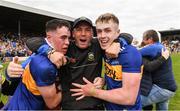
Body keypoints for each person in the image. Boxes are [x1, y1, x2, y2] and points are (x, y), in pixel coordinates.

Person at [5, 17, 121, 110]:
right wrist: (50, 52)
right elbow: (33, 42)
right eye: (79, 29)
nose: (83, 34)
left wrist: (117, 41)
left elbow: (125, 36)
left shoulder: (98, 45)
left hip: (96, 104)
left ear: (92, 34)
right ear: (73, 34)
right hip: (70, 107)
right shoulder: (65, 48)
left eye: (88, 30)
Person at [70, 13, 143, 110]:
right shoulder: (104, 49)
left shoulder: (130, 54)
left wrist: (93, 92)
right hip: (109, 106)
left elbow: (129, 98)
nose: (102, 35)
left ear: (117, 33)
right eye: (99, 31)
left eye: (107, 31)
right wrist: (103, 80)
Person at [3, 19, 71, 110]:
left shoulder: (49, 51)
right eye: (63, 37)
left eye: (69, 38)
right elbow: (52, 103)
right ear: (49, 38)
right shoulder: (42, 62)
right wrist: (8, 72)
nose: (68, 42)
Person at [139, 29, 177, 110]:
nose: (142, 41)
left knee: (134, 103)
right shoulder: (160, 46)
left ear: (150, 39)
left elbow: (134, 53)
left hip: (162, 88)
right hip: (168, 87)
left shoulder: (154, 47)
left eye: (143, 39)